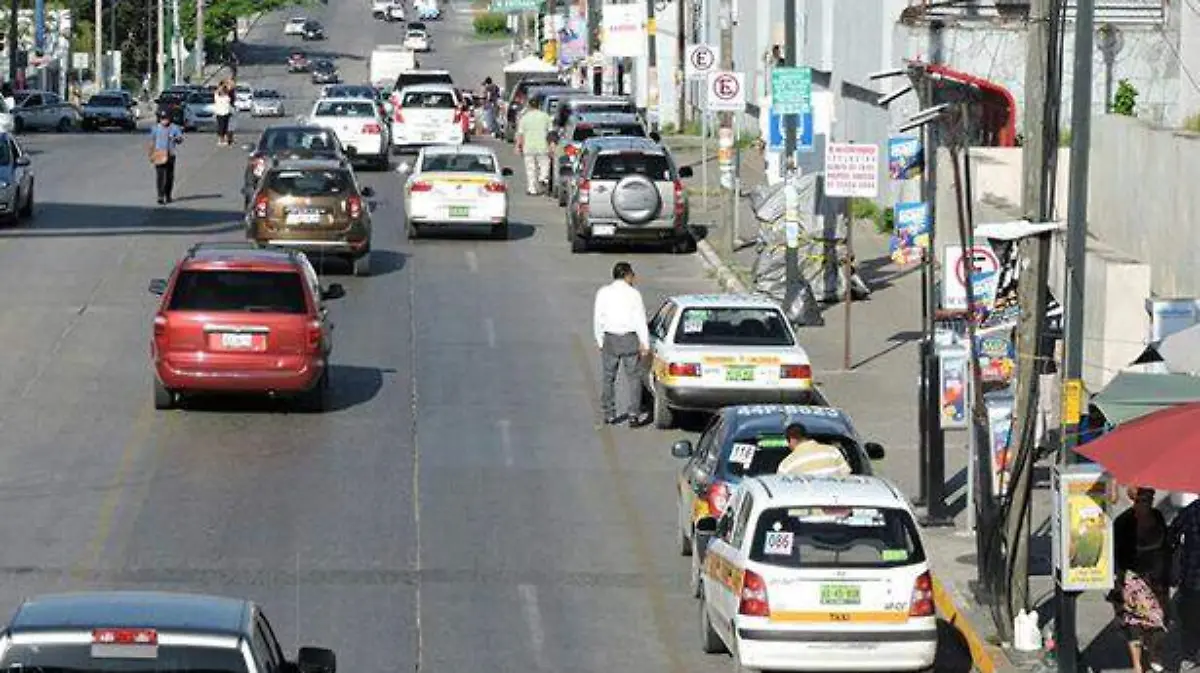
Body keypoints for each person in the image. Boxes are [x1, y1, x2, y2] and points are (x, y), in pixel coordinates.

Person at [1112, 486, 1171, 673]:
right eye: (1142, 499)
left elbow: (1166, 545)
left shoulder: (1158, 517)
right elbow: (1116, 555)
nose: (1146, 503)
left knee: (1159, 621)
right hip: (1132, 579)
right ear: (1133, 500)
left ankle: (1153, 652)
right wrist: (1121, 584)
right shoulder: (1123, 522)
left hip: (1156, 578)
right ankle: (1137, 665)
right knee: (1133, 625)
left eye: (1149, 498)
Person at [593, 262, 649, 427]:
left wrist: (600, 339)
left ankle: (609, 413)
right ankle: (633, 414)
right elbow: (640, 320)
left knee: (608, 378)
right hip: (629, 339)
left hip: (610, 339)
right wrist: (644, 343)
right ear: (627, 275)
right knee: (633, 378)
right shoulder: (634, 294)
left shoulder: (603, 293)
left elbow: (598, 317)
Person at [1169, 493, 1200, 669]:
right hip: (1192, 576)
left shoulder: (1191, 510)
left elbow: (1172, 534)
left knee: (1189, 619)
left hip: (1191, 577)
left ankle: (1189, 656)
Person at [776, 423, 853, 476]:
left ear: (792, 440)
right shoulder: (833, 452)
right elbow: (846, 476)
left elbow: (781, 491)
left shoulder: (786, 465)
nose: (789, 446)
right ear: (805, 436)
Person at [515, 96, 552, 196]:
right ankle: (542, 178)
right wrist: (552, 145)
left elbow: (520, 134)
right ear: (539, 105)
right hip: (542, 146)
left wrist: (518, 146)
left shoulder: (524, 118)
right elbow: (550, 133)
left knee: (530, 169)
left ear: (529, 106)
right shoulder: (545, 116)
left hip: (528, 146)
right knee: (544, 165)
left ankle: (532, 189)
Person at [147, 111, 183, 204]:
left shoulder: (174, 128)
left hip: (170, 154)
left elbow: (180, 139)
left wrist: (175, 139)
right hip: (159, 154)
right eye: (162, 119)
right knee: (160, 176)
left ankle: (168, 194)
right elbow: (152, 141)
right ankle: (160, 195)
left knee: (169, 176)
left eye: (166, 119)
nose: (164, 121)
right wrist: (151, 154)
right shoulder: (155, 128)